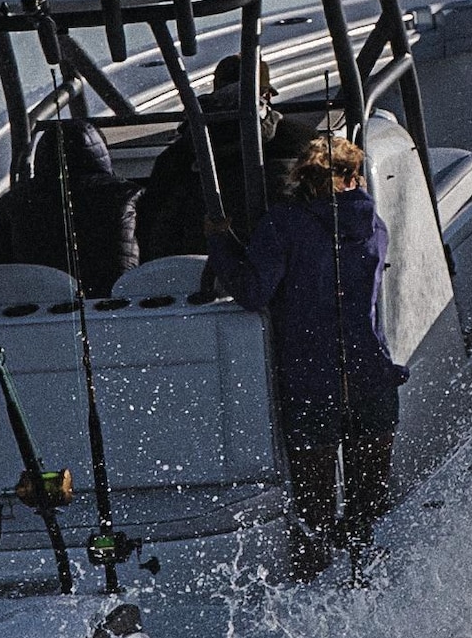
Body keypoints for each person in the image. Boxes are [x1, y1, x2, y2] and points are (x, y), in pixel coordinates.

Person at [235, 124, 403, 577]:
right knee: (368, 513)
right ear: (354, 176)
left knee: (314, 517)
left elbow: (253, 291)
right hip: (372, 381)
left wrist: (219, 241)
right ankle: (366, 586)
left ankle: (315, 595)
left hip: (313, 385)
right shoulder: (374, 225)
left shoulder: (281, 225)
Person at [132, 49, 270, 273]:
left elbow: (149, 226)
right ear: (266, 96)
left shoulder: (174, 158)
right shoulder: (296, 144)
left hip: (183, 276)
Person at [0, 104, 129, 300]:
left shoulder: (9, 205)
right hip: (121, 310)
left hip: (35, 315)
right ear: (100, 152)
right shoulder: (129, 196)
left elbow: (1, 276)